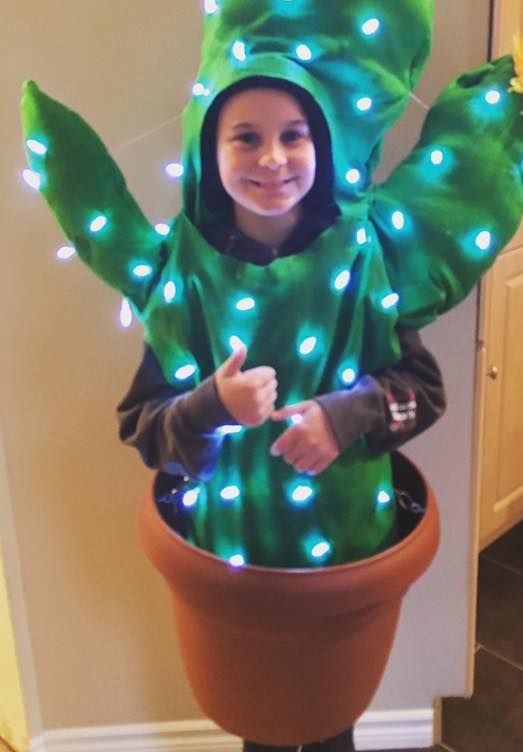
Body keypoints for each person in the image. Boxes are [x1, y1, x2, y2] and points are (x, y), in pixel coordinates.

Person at [117, 76, 447, 752]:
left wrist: (345, 414)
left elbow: (423, 390)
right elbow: (143, 425)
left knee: (332, 722)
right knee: (261, 725)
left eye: (293, 135)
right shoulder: (188, 273)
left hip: (343, 563)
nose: (273, 158)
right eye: (247, 137)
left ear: (320, 145)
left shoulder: (360, 256)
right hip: (237, 571)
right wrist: (209, 406)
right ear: (211, 153)